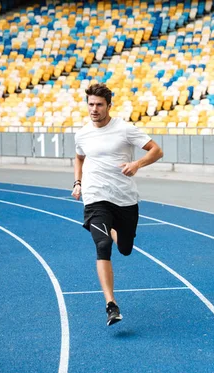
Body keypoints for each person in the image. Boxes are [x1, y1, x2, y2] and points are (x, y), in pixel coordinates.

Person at [71, 83, 163, 326]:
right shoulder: (82, 134)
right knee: (102, 245)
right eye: (91, 104)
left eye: (99, 105)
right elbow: (79, 158)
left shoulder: (124, 129)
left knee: (125, 248)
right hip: (95, 197)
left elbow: (156, 150)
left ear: (109, 106)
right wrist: (78, 182)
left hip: (124, 199)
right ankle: (111, 305)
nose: (94, 109)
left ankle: (113, 229)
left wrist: (136, 165)